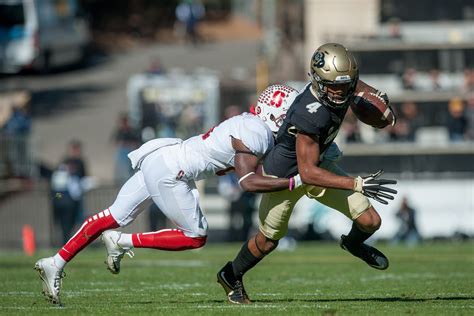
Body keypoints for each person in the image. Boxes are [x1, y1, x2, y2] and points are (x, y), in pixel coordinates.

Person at [34, 87, 302, 305]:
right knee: (196, 236)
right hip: (172, 170)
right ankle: (123, 241)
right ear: (277, 114)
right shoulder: (258, 133)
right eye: (290, 114)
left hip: (162, 157)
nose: (294, 120)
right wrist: (293, 182)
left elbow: (227, 159)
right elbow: (247, 182)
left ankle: (55, 262)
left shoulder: (247, 122)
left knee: (110, 216)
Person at [216, 43, 398, 304]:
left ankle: (354, 244)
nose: (339, 92)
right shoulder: (310, 113)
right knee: (268, 241)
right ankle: (230, 274)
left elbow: (359, 88)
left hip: (317, 164)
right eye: (333, 86)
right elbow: (308, 173)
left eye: (344, 85)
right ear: (317, 80)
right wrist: (356, 183)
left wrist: (381, 104)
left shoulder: (343, 82)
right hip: (285, 177)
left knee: (370, 221)